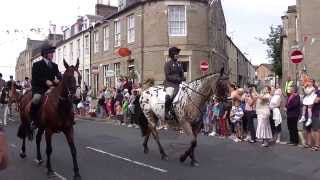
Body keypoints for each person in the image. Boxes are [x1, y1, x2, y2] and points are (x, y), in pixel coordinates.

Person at [30, 44, 61, 130]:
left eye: (52, 53)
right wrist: (45, 81)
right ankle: (33, 120)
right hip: (39, 88)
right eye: (50, 53)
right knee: (36, 98)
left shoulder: (54, 65)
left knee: (62, 98)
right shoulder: (37, 64)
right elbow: (36, 77)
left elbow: (58, 75)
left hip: (51, 88)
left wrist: (59, 79)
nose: (52, 54)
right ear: (45, 54)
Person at [164, 47, 186, 120]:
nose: (177, 55)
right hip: (170, 84)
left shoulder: (179, 64)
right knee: (169, 95)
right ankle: (166, 113)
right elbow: (168, 76)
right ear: (172, 54)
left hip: (179, 83)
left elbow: (182, 74)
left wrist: (183, 78)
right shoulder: (167, 64)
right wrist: (177, 79)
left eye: (178, 54)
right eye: (176, 54)